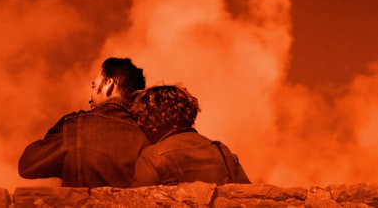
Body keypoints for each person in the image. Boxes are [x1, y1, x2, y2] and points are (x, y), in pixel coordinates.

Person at [18, 57, 150, 187]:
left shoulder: (75, 126)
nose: (89, 98)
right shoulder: (149, 135)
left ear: (108, 84)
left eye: (94, 85)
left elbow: (27, 165)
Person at [130, 84, 251, 186]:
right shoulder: (222, 152)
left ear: (151, 120)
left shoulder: (151, 158)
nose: (140, 125)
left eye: (141, 118)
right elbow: (249, 198)